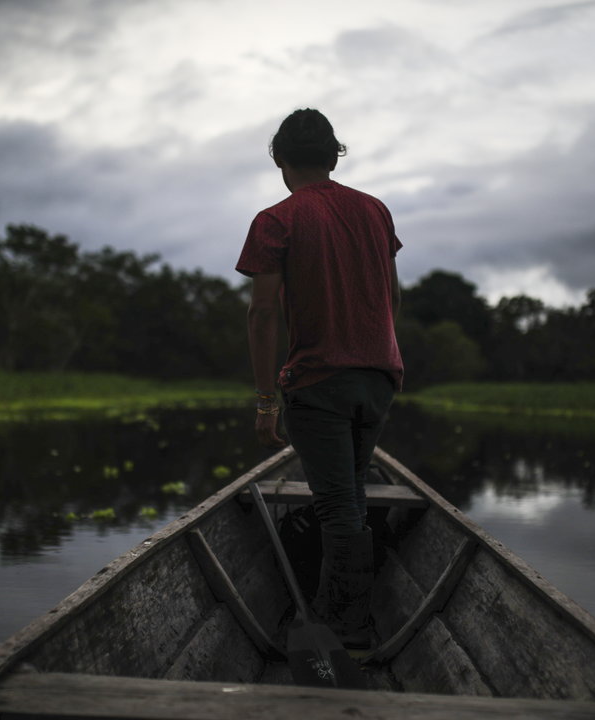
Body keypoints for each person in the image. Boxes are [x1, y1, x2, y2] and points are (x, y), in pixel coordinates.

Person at [235, 108, 404, 648]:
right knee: (349, 493)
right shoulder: (375, 211)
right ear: (334, 158)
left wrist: (266, 402)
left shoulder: (276, 219)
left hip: (319, 381)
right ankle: (347, 615)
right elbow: (392, 298)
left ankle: (344, 625)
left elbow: (263, 315)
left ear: (281, 161)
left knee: (337, 505)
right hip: (379, 377)